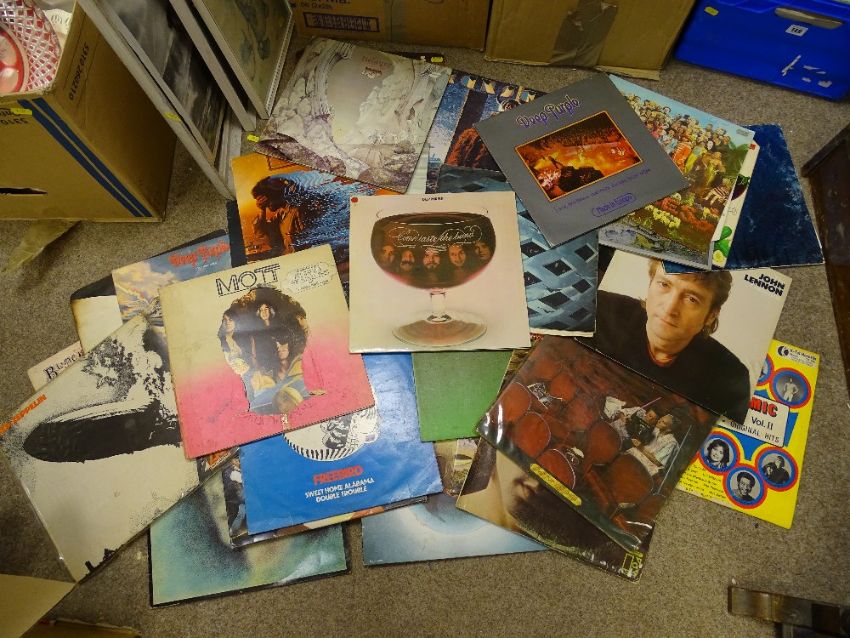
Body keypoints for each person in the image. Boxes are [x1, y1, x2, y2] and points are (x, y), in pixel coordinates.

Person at [587, 259, 751, 424]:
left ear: (711, 315)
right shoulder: (598, 309)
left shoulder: (730, 377)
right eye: (664, 285)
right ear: (650, 283)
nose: (670, 308)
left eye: (692, 299)